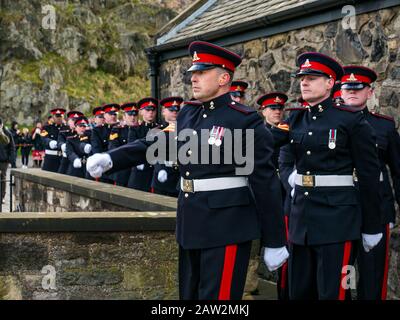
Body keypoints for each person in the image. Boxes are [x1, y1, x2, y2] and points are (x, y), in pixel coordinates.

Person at [86, 41, 288, 300]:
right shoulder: (189, 114)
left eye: (202, 72)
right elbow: (158, 144)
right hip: (191, 220)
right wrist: (111, 158)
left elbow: (265, 182)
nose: (193, 78)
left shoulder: (245, 120)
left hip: (227, 225)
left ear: (224, 77)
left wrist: (274, 239)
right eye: (193, 72)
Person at [271, 52, 383, 300]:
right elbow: (266, 144)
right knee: (299, 292)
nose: (304, 82)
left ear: (330, 83)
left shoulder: (350, 120)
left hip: (337, 221)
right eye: (302, 78)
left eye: (311, 77)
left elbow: (368, 175)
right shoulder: (296, 119)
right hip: (301, 221)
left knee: (332, 293)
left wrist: (372, 226)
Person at [341, 65, 400, 300]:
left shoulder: (384, 126)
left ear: (370, 91)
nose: (352, 92)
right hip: (339, 207)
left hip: (376, 208)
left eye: (359, 88)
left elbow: (397, 170)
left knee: (372, 272)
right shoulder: (328, 123)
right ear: (340, 91)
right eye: (347, 88)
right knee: (340, 273)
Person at [151, 97, 182, 197]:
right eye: (171, 110)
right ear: (164, 111)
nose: (175, 112)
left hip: (179, 177)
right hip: (164, 175)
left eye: (177, 110)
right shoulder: (157, 130)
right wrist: (161, 168)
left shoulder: (184, 129)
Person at [126, 98, 158, 191]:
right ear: (141, 112)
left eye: (153, 110)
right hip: (140, 174)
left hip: (156, 173)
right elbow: (133, 149)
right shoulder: (135, 130)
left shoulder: (161, 128)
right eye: (147, 110)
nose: (151, 112)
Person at [108, 102, 139, 187]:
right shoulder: (117, 130)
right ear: (124, 117)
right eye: (130, 115)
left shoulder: (140, 130)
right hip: (122, 172)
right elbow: (113, 147)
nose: (133, 117)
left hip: (138, 174)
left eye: (135, 115)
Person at [257, 92, 287, 168]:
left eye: (280, 108)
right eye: (273, 108)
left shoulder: (288, 131)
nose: (277, 112)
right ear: (264, 112)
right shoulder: (258, 133)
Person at [90, 104, 119, 183]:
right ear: (105, 115)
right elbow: (96, 150)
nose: (113, 116)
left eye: (114, 114)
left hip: (120, 169)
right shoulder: (97, 131)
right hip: (106, 169)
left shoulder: (122, 128)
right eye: (110, 114)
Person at [41, 108, 68, 172]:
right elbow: (43, 138)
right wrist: (49, 142)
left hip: (63, 158)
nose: (59, 118)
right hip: (50, 159)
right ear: (53, 117)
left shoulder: (67, 128)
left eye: (60, 116)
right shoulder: (46, 127)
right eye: (57, 116)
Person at [0, 118, 15, 204]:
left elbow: (12, 147)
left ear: (1, 125)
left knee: (3, 178)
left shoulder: (7, 133)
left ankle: (2, 196)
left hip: (3, 161)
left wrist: (10, 160)